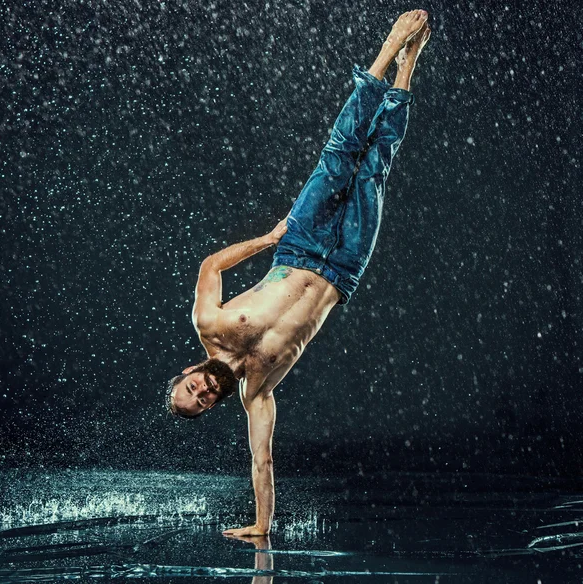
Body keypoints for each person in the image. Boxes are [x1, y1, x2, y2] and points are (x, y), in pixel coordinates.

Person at [167, 10, 431, 537]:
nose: (202, 392)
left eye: (191, 387)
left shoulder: (210, 324)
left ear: (188, 372)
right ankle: (409, 66)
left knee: (339, 155)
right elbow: (261, 463)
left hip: (298, 246)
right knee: (375, 165)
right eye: (200, 402)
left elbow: (210, 265)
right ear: (212, 405)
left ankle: (389, 49)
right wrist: (261, 526)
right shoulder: (257, 393)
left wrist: (266, 240)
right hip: (342, 270)